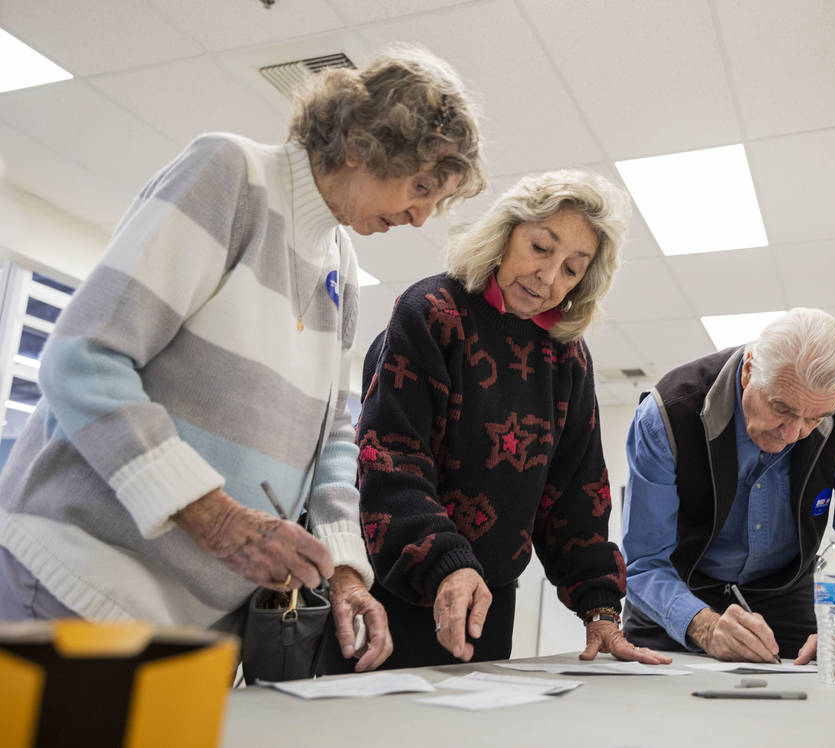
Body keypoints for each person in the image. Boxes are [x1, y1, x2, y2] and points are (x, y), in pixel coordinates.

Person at [0, 46, 484, 674]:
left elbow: (336, 434)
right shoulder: (231, 174)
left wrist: (343, 569)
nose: (420, 214)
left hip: (201, 630)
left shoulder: (342, 259)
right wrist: (217, 518)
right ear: (366, 145)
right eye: (420, 186)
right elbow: (82, 360)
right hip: (79, 589)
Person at [341, 171, 672, 669]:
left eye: (572, 269)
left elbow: (577, 493)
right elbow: (391, 456)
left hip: (488, 602)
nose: (548, 278)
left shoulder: (567, 357)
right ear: (506, 232)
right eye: (541, 248)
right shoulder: (433, 312)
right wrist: (445, 564)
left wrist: (600, 607)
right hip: (395, 589)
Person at [621, 308, 835, 666]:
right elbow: (646, 561)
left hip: (786, 591)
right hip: (678, 593)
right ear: (748, 371)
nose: (792, 434)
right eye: (782, 408)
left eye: (814, 419)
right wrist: (704, 626)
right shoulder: (667, 415)